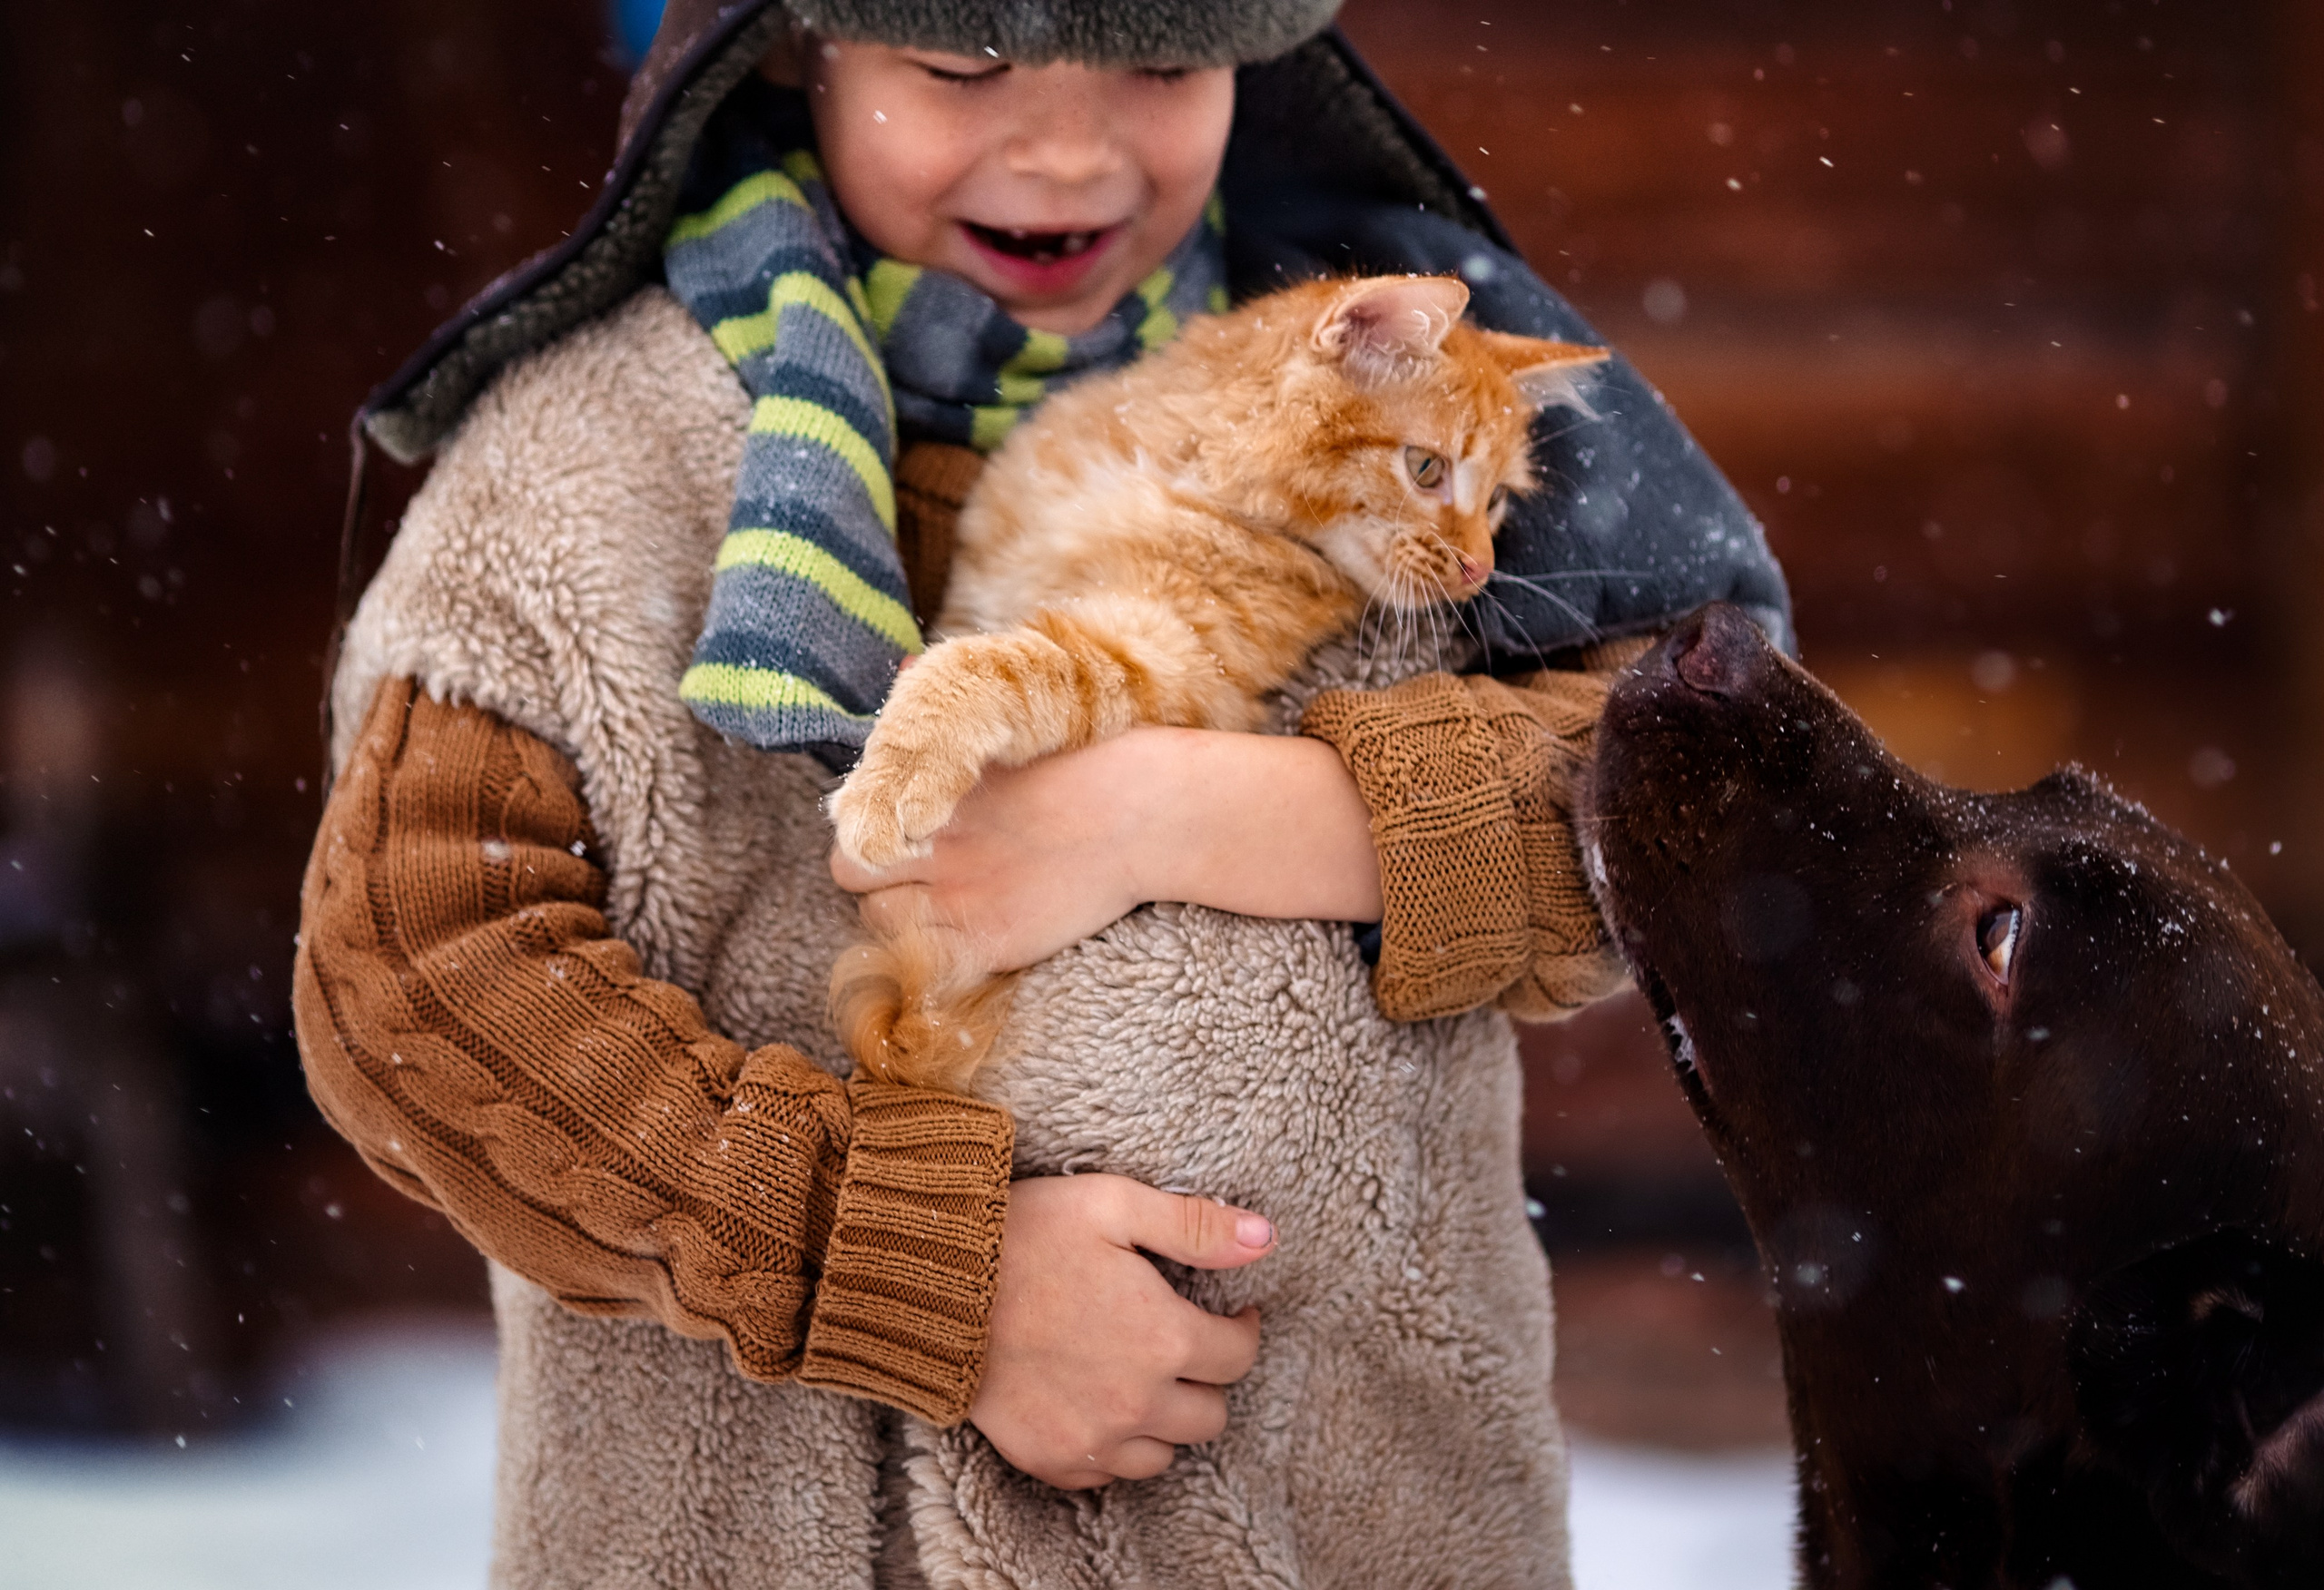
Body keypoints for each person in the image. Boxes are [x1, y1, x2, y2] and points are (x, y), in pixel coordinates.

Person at [293, 2, 1788, 1584]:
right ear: (802, 50)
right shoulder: (592, 456)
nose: (1072, 153)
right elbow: (411, 969)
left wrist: (1193, 811)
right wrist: (919, 1270)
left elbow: (1715, 821)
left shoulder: (1407, 401)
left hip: (1340, 1534)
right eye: (963, 67)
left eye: (1160, 66)